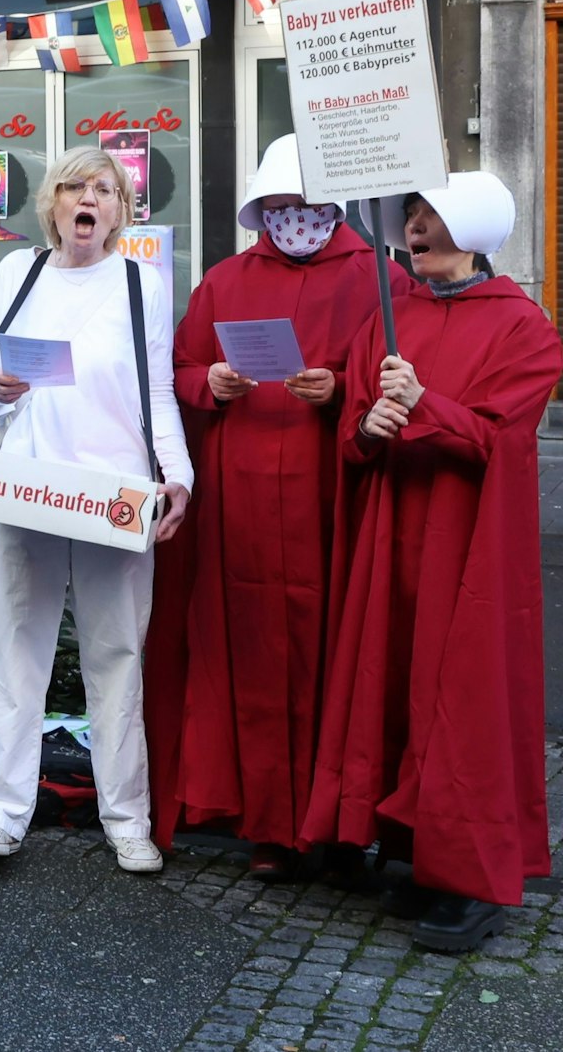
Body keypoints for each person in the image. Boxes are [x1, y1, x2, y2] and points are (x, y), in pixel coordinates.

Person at [302, 172, 559, 952]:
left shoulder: (526, 328)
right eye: (410, 216)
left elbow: (500, 441)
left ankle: (468, 872)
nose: (413, 229)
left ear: (471, 230)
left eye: (430, 217)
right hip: (390, 534)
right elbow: (353, 433)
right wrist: (370, 424)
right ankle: (406, 840)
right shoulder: (392, 314)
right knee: (391, 680)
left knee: (459, 691)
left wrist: (422, 403)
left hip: (463, 543)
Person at [144, 135, 401, 880]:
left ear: (331, 208)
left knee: (336, 653)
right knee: (249, 651)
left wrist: (343, 391)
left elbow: (399, 374)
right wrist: (209, 384)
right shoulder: (225, 280)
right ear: (263, 211)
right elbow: (180, 368)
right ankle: (264, 822)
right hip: (240, 503)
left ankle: (339, 827)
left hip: (331, 494)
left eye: (305, 205)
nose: (295, 218)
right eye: (280, 207)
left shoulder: (379, 278)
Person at [0, 146, 193, 873]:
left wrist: (177, 473)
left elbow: (156, 389)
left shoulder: (139, 282)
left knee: (119, 658)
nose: (89, 199)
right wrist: (0, 390)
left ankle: (128, 820)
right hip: (27, 486)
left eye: (106, 189)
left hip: (113, 495)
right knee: (13, 656)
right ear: (53, 205)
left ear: (122, 211)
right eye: (75, 187)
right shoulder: (16, 272)